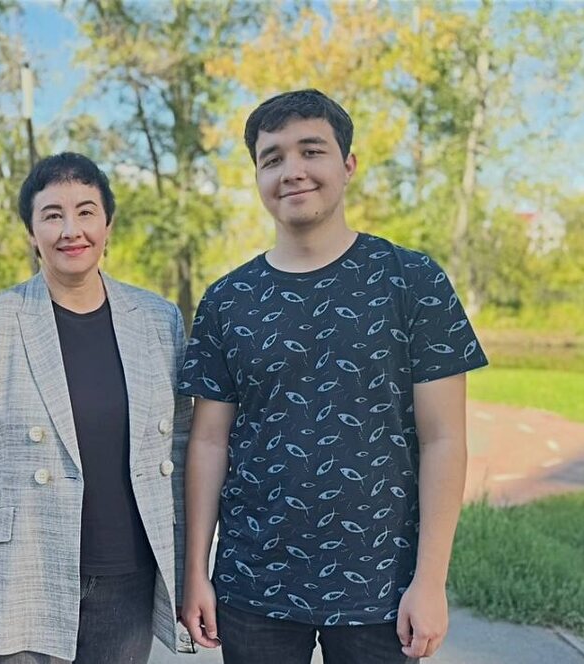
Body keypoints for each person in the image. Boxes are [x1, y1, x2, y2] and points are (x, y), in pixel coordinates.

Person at [178, 89, 489, 664]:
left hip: (383, 584)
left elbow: (443, 439)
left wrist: (431, 581)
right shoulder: (226, 300)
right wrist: (195, 570)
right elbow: (208, 442)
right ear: (257, 176)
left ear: (348, 165)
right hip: (253, 584)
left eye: (311, 151)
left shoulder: (412, 281)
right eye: (272, 158)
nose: (292, 171)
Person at [0, 152, 191, 664]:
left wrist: (188, 575)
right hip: (21, 577)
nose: (71, 230)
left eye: (86, 212)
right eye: (52, 215)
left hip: (127, 581)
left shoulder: (159, 321)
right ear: (32, 232)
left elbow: (182, 450)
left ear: (108, 225)